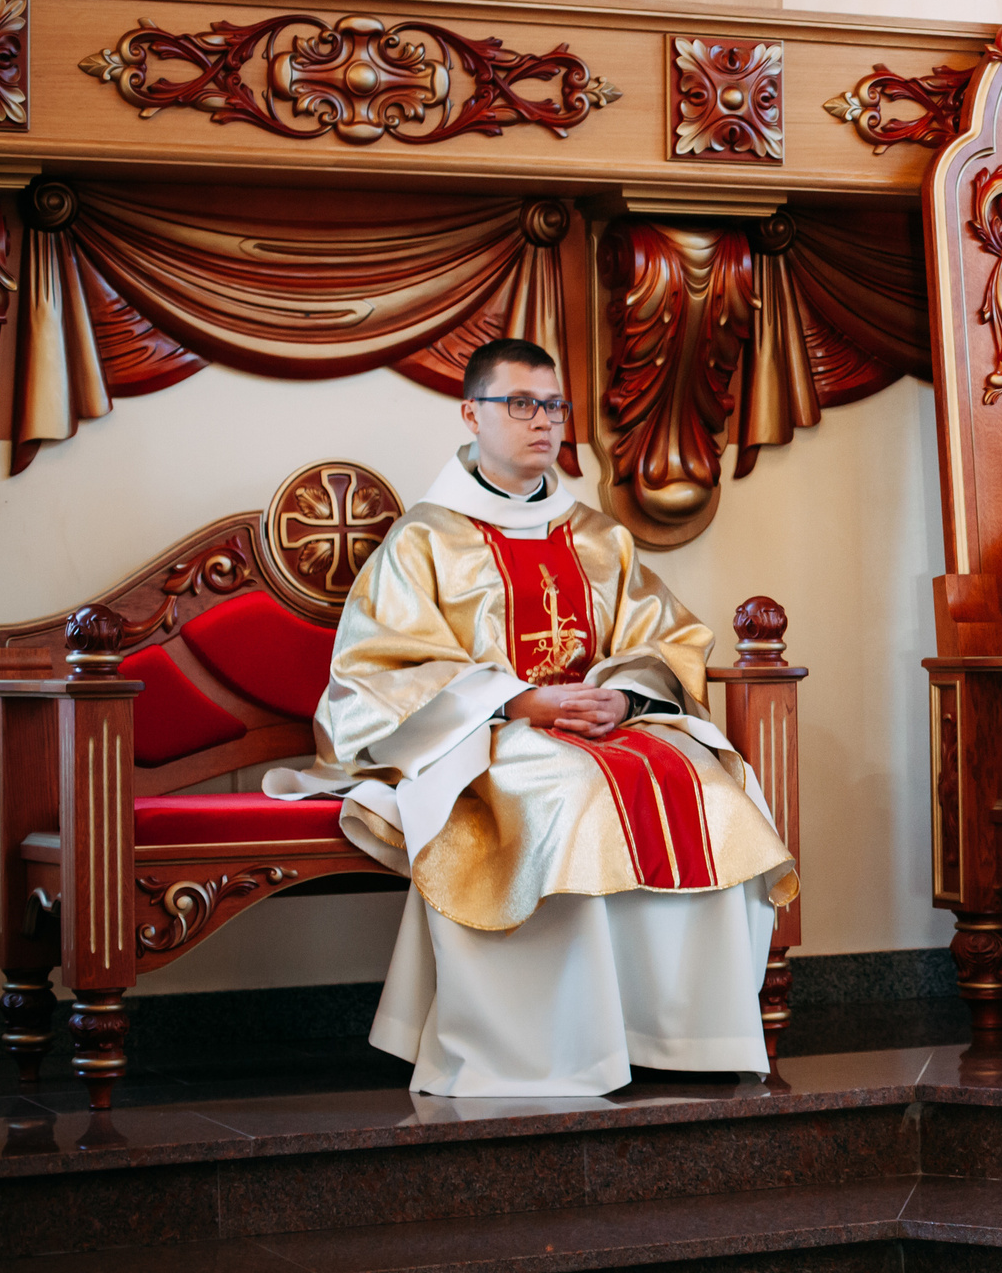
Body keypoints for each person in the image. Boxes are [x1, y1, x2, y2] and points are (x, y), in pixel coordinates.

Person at [268, 338, 797, 1096]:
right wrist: (515, 699)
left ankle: (683, 1034)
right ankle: (560, 1049)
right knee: (567, 792)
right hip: (486, 736)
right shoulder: (426, 538)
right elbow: (373, 674)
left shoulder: (598, 535)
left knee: (705, 782)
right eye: (520, 404)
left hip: (602, 722)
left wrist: (628, 696)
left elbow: (665, 638)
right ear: (471, 413)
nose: (542, 422)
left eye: (552, 406)